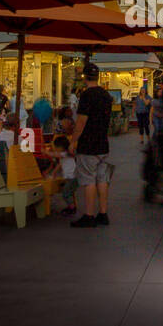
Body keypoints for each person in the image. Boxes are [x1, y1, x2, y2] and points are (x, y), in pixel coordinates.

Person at [69, 63, 113, 228]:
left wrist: (73, 141)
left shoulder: (87, 96)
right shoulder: (105, 95)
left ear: (84, 77)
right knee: (102, 179)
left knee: (88, 180)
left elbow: (81, 122)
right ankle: (103, 213)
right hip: (103, 143)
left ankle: (89, 215)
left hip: (88, 144)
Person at [44, 135, 79, 218]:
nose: (55, 149)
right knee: (67, 192)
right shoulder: (65, 155)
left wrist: (45, 152)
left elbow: (54, 155)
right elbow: (60, 164)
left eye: (55, 147)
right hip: (70, 178)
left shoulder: (65, 153)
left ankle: (72, 208)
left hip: (72, 178)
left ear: (61, 147)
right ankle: (71, 206)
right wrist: (53, 173)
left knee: (66, 193)